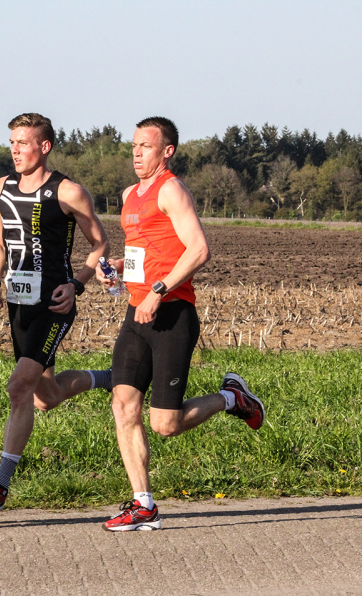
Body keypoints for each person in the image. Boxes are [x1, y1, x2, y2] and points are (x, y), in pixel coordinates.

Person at [96, 116, 265, 531]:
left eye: (145, 147)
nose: (136, 153)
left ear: (166, 151)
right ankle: (143, 504)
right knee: (123, 404)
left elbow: (198, 249)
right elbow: (145, 248)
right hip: (137, 313)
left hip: (172, 315)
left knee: (165, 424)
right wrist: (118, 266)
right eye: (133, 146)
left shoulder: (171, 190)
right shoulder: (129, 194)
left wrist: (158, 289)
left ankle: (232, 399)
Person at [0, 112, 112, 519]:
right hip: (17, 303)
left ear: (43, 147)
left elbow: (100, 243)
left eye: (22, 143)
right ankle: (114, 378)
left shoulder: (69, 192)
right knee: (46, 397)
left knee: (18, 387)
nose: (14, 150)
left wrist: (77, 284)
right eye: (11, 142)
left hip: (53, 305)